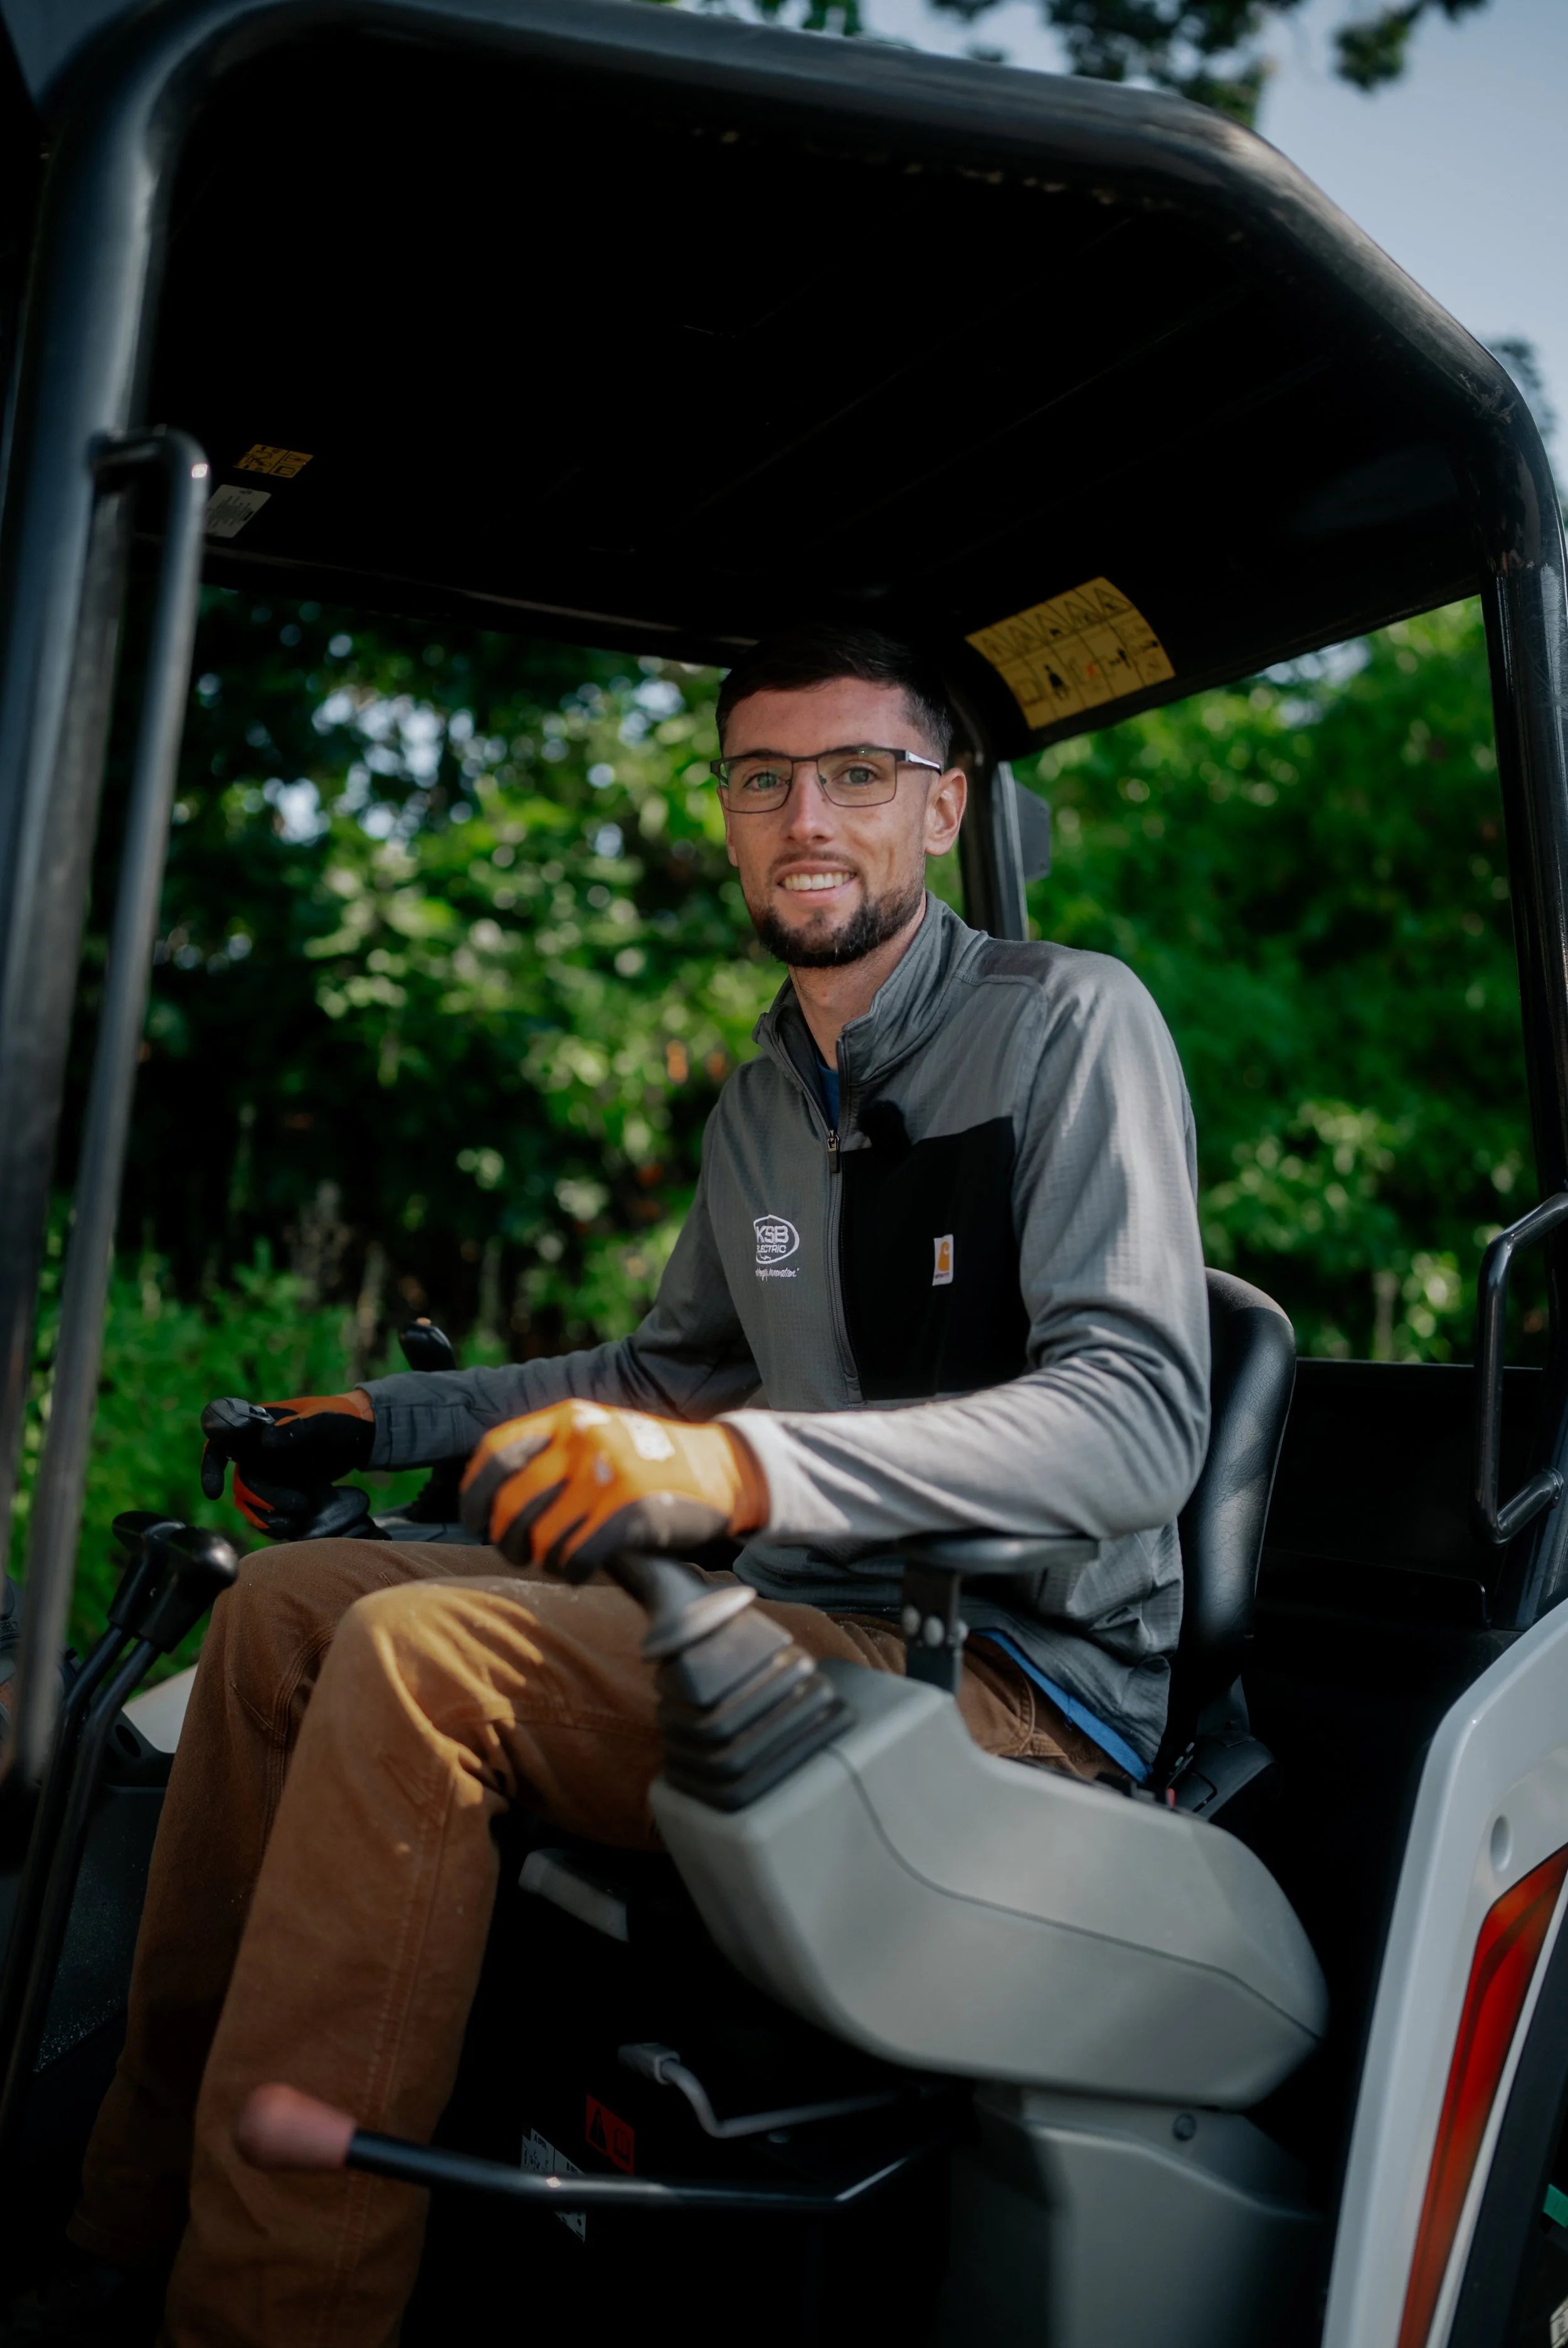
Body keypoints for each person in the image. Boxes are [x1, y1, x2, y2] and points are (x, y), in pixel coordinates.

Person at [6, 624, 1209, 2347]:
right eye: (761, 776)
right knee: (279, 1610)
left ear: (940, 810)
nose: (808, 814)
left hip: (1003, 1684)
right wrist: (393, 1418)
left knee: (429, 1654)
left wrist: (731, 1465)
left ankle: (269, 2316)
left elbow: (1137, 1419)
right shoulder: (759, 1102)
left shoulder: (1069, 1028)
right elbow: (661, 1372)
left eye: (859, 772)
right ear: (722, 814)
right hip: (803, 1629)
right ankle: (126, 2223)